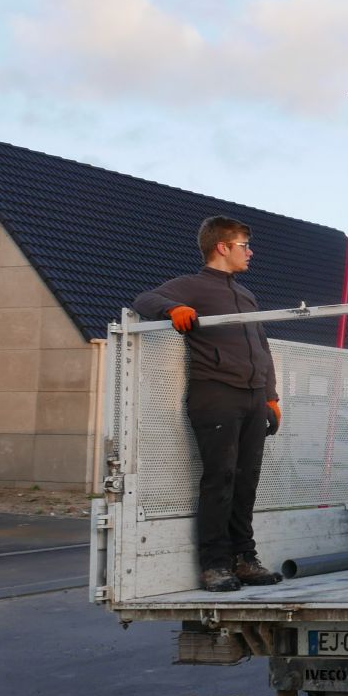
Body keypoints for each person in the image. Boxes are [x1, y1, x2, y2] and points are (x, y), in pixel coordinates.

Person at [133, 216, 284, 593]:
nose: (250, 253)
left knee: (247, 480)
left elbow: (262, 347)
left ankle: (244, 559)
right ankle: (215, 565)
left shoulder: (246, 295)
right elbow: (144, 299)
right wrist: (172, 309)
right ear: (222, 247)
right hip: (216, 393)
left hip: (254, 397)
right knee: (221, 478)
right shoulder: (193, 286)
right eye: (244, 246)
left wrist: (270, 396)